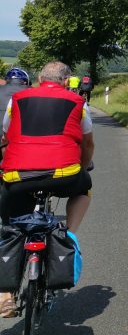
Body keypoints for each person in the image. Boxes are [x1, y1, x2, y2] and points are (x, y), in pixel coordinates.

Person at [0, 61, 93, 317]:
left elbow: (7, 135)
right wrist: (83, 166)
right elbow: (88, 143)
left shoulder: (16, 99)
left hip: (18, 174)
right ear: (67, 81)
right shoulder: (78, 102)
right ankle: (68, 236)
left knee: (9, 226)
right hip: (63, 174)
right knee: (84, 189)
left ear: (40, 78)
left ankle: (5, 296)